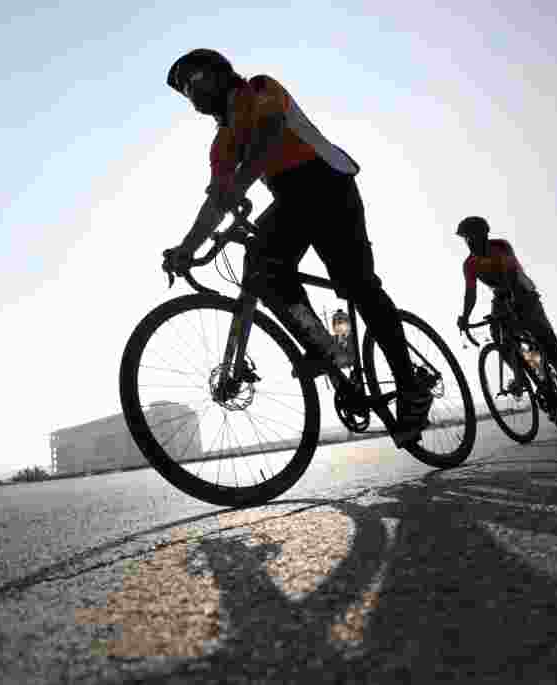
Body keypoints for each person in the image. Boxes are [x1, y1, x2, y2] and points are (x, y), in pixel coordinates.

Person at [161, 49, 433, 446]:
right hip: (292, 199)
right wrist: (186, 248)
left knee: (357, 285)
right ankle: (325, 348)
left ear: (222, 75)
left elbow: (270, 136)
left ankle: (412, 387)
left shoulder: (259, 89)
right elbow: (217, 201)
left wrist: (238, 185)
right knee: (262, 266)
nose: (193, 94)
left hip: (327, 183)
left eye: (196, 80)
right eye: (185, 91)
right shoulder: (221, 143)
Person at [455, 217, 557, 411]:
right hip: (500, 296)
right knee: (499, 336)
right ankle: (522, 374)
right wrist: (465, 317)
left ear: (485, 235)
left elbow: (511, 274)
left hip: (522, 291)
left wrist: (513, 302)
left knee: (545, 338)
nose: (469, 242)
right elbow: (470, 293)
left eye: (473, 237)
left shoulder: (501, 247)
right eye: (466, 239)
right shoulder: (469, 264)